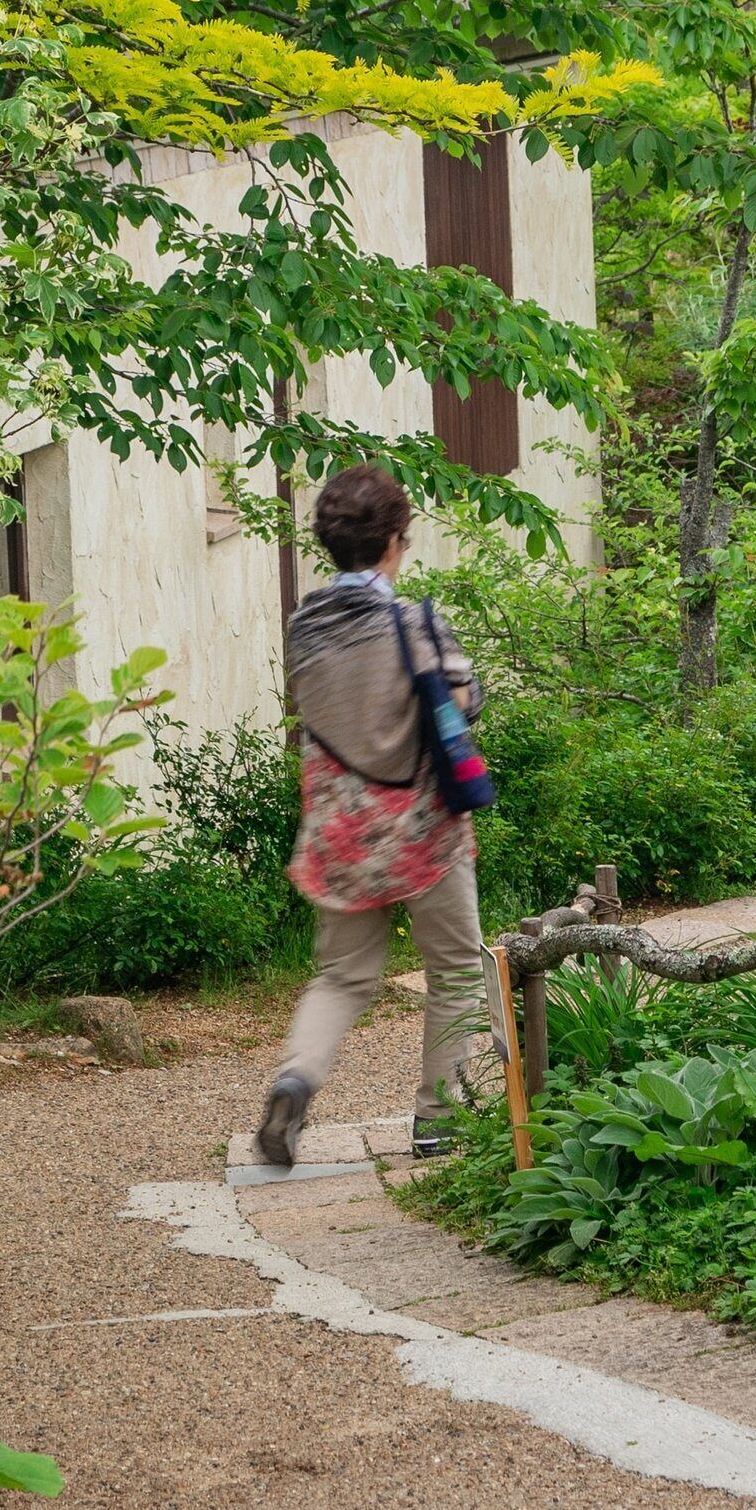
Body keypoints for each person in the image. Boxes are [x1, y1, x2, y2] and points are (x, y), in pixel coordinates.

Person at [255, 465, 487, 1169]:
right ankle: (440, 1120)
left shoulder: (304, 627)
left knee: (341, 979)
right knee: (455, 971)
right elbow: (464, 701)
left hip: (341, 833)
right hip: (423, 831)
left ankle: (296, 1077)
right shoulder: (412, 621)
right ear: (392, 541)